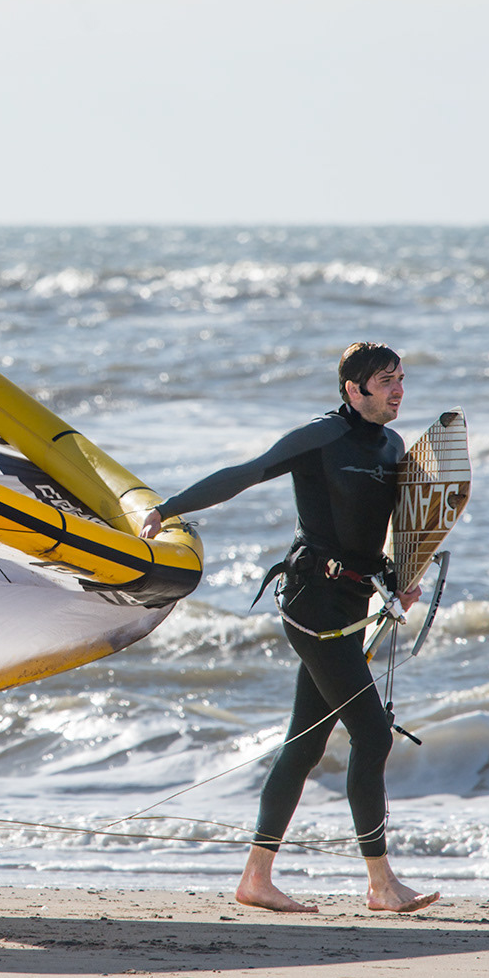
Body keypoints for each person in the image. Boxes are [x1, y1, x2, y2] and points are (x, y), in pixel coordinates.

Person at [140, 342, 439, 914]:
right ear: (353, 389)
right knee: (373, 735)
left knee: (305, 742)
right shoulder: (321, 437)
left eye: (401, 378)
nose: (398, 390)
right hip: (312, 601)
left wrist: (400, 578)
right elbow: (245, 474)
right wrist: (169, 508)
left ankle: (256, 878)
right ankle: (381, 884)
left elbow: (391, 529)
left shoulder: (394, 445)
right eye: (385, 381)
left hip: (354, 601)